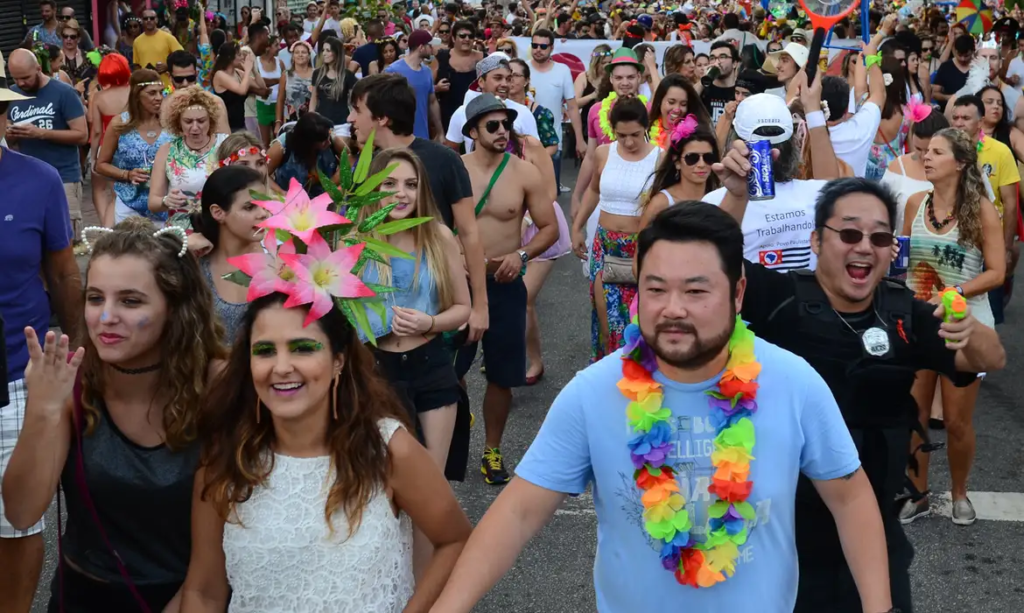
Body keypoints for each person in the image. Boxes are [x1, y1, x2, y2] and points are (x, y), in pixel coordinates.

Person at [430, 202, 895, 613]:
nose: (673, 309)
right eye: (655, 289)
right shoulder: (593, 393)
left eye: (695, 291)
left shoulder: (793, 383)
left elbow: (850, 497)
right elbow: (517, 514)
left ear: (737, 293)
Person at [711, 144, 1007, 609]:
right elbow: (712, 266)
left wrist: (972, 330)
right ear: (816, 241)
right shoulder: (779, 298)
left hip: (874, 534)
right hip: (779, 533)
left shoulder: (904, 314)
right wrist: (735, 195)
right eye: (849, 234)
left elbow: (989, 359)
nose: (865, 247)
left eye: (880, 238)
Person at [180, 291, 472, 609]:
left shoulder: (387, 450)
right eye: (264, 351)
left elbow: (454, 540)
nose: (282, 367)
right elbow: (203, 591)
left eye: (303, 348)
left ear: (338, 361)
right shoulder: (226, 459)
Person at [3, 218, 224, 612]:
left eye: (130, 301)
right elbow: (21, 512)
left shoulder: (216, 387)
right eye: (94, 298)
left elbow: (209, 576)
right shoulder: (72, 385)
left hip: (184, 596)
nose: (105, 318)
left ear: (176, 306)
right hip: (82, 596)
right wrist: (42, 409)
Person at [0, 50, 82, 611]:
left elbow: (63, 274)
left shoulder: (39, 179)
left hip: (17, 376)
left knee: (17, 523)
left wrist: (79, 361)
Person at [899, 128, 1005, 526]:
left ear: (960, 163)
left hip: (964, 327)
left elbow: (996, 272)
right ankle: (918, 494)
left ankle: (960, 493)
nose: (926, 157)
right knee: (915, 416)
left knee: (958, 422)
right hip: (918, 325)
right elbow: (904, 261)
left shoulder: (981, 211)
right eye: (926, 151)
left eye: (937, 152)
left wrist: (953, 292)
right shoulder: (915, 204)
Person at [454, 94, 557, 485]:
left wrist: (521, 254)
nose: (502, 132)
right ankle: (456, 419)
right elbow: (435, 224)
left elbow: (549, 227)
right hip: (461, 286)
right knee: (450, 368)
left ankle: (492, 451)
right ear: (472, 131)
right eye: (492, 126)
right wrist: (454, 257)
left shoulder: (524, 173)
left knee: (502, 376)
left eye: (506, 125)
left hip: (504, 284)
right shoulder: (455, 170)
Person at [348, 73, 491, 349]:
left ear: (382, 118)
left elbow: (470, 233)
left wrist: (479, 306)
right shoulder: (365, 167)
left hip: (436, 306)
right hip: (382, 321)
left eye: (357, 110)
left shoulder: (444, 160)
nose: (351, 118)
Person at [572, 97, 660, 361]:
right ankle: (609, 369)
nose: (629, 142)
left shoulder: (660, 157)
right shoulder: (603, 153)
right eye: (622, 136)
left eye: (635, 134)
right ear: (612, 131)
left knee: (638, 317)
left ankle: (640, 370)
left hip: (640, 247)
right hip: (605, 244)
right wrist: (577, 227)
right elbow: (594, 190)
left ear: (645, 128)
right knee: (606, 318)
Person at [703, 90, 828, 272]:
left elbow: (705, 266)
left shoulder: (714, 203)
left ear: (736, 140)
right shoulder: (820, 195)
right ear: (793, 141)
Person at [949, 94, 1019, 324]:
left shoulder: (1000, 151)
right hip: (954, 242)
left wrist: (1005, 248)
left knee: (989, 317)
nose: (959, 123)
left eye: (966, 118)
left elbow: (1010, 204)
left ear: (980, 122)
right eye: (955, 117)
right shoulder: (943, 149)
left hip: (989, 243)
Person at [6, 48, 89, 240]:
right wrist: (10, 133)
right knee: (34, 236)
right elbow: (8, 141)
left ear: (38, 68)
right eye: (16, 79)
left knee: (67, 238)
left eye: (25, 77)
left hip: (64, 176)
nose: (21, 83)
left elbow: (82, 135)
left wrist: (41, 133)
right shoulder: (11, 95)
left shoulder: (64, 92)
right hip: (27, 179)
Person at [192, 165, 268, 343]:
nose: (263, 213)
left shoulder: (280, 264)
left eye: (264, 205)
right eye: (249, 207)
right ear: (218, 213)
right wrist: (181, 248)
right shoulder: (196, 267)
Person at [95, 70, 173, 226]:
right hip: (128, 204)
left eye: (161, 92)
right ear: (137, 95)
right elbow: (101, 165)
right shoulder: (120, 124)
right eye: (152, 93)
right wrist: (127, 174)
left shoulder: (170, 123)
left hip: (165, 205)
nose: (159, 97)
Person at [148, 86, 229, 227]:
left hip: (220, 225)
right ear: (178, 122)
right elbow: (153, 203)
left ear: (211, 120)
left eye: (201, 121)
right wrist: (166, 201)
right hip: (182, 228)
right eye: (188, 121)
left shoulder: (225, 144)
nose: (195, 127)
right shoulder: (167, 150)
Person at [445, 52, 539, 152]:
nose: (505, 84)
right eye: (498, 78)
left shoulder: (523, 112)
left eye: (508, 79)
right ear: (481, 82)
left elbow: (535, 152)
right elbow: (451, 151)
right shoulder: (463, 113)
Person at [527, 29, 586, 187]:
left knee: (550, 195)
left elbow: (572, 107)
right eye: (534, 45)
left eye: (543, 46)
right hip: (525, 144)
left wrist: (579, 140)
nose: (538, 49)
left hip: (553, 143)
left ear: (552, 48)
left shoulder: (562, 70)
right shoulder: (522, 69)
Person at [881, 105, 949, 232]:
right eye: (918, 149)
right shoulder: (898, 167)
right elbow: (881, 210)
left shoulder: (957, 168)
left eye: (930, 150)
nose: (924, 156)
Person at [639, 124, 721, 230]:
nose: (701, 164)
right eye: (692, 158)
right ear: (677, 162)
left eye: (708, 158)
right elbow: (643, 239)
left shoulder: (718, 198)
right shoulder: (662, 203)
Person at [88, 53, 132, 228]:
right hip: (131, 146)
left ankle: (106, 228)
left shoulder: (99, 97)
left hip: (107, 148)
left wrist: (93, 157)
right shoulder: (134, 93)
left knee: (101, 191)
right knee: (120, 195)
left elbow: (97, 131)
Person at [268, 111, 343, 197]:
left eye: (328, 138)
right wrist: (282, 193)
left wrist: (331, 184)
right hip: (291, 200)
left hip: (323, 198)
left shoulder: (331, 139)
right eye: (324, 142)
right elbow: (263, 174)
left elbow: (350, 161)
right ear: (309, 142)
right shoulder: (282, 147)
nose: (329, 142)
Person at [385, 29, 443, 140]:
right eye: (429, 45)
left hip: (422, 137)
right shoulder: (393, 71)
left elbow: (432, 102)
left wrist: (440, 132)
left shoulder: (427, 71)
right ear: (421, 47)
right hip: (399, 138)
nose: (432, 49)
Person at [433, 20, 484, 132]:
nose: (467, 39)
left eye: (470, 36)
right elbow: (427, 88)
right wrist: (437, 88)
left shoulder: (483, 58)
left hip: (477, 117)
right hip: (448, 118)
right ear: (453, 38)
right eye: (462, 36)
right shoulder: (441, 57)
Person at [648, 74, 711, 150]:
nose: (677, 109)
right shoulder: (646, 131)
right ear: (659, 101)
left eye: (683, 104)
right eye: (671, 102)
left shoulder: (695, 137)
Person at [310, 37, 358, 132]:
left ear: (337, 52)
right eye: (323, 50)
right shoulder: (317, 73)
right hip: (321, 122)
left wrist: (353, 115)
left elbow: (355, 100)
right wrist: (311, 115)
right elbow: (314, 97)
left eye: (328, 50)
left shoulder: (347, 75)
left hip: (342, 123)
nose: (324, 53)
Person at [133, 8, 184, 88]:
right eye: (146, 18)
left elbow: (182, 56)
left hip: (166, 86)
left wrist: (168, 65)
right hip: (146, 87)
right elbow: (137, 65)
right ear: (142, 21)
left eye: (152, 18)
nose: (149, 20)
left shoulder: (168, 37)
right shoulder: (137, 41)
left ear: (156, 20)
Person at [212, 42, 255, 133]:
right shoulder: (219, 74)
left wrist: (253, 69)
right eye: (239, 55)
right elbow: (242, 90)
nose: (242, 57)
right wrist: (247, 70)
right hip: (226, 127)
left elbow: (261, 85)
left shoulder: (238, 73)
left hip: (240, 125)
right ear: (230, 57)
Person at [573, 44, 612, 146]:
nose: (607, 65)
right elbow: (574, 104)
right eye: (603, 63)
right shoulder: (584, 77)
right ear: (596, 63)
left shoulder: (614, 78)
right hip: (588, 128)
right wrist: (592, 95)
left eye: (609, 62)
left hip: (610, 127)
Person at [276, 40, 315, 129]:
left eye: (303, 52)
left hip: (312, 120)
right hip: (291, 120)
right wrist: (278, 122)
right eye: (297, 52)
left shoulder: (316, 74)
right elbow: (280, 99)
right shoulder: (286, 75)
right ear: (293, 57)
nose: (300, 55)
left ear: (309, 56)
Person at [932, 34, 975, 110]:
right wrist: (950, 97)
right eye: (960, 55)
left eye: (966, 56)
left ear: (972, 51)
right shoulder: (945, 67)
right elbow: (935, 93)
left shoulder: (978, 67)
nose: (962, 59)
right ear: (955, 50)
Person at [701, 41, 738, 125]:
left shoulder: (740, 90)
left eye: (722, 57)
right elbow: (687, 100)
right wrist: (704, 79)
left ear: (734, 64)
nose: (717, 62)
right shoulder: (704, 88)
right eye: (712, 58)